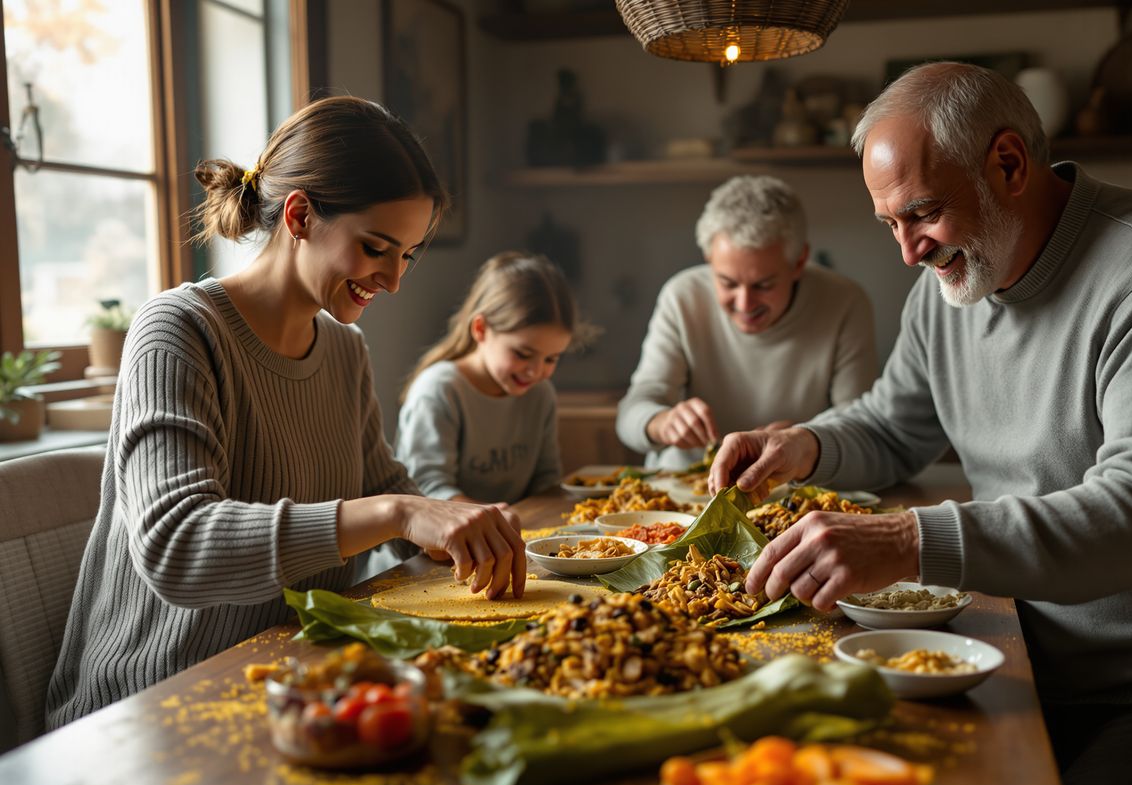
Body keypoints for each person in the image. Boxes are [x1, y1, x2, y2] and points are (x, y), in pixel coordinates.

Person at [709, 63, 1132, 785]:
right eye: (889, 223)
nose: (906, 252)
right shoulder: (949, 283)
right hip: (1014, 657)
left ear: (1008, 163)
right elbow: (894, 427)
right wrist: (806, 443)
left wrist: (909, 542)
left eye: (921, 213)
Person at [47, 96, 526, 729]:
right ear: (299, 215)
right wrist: (402, 513)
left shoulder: (344, 349)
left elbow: (380, 487)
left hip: (291, 681)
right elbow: (176, 545)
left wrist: (458, 522)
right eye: (376, 247)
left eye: (405, 255)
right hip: (149, 709)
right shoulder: (178, 331)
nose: (393, 280)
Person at [615, 175, 877, 471]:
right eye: (727, 282)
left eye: (763, 285)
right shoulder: (682, 296)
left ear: (799, 262)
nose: (744, 304)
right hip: (684, 484)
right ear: (709, 257)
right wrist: (661, 422)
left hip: (791, 485)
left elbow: (861, 425)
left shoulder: (845, 302)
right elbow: (631, 412)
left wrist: (806, 438)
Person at [392, 251, 592, 505]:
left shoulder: (540, 393)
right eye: (522, 353)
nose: (536, 371)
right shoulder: (440, 390)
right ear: (481, 329)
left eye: (551, 359)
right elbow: (427, 488)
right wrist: (493, 523)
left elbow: (545, 483)